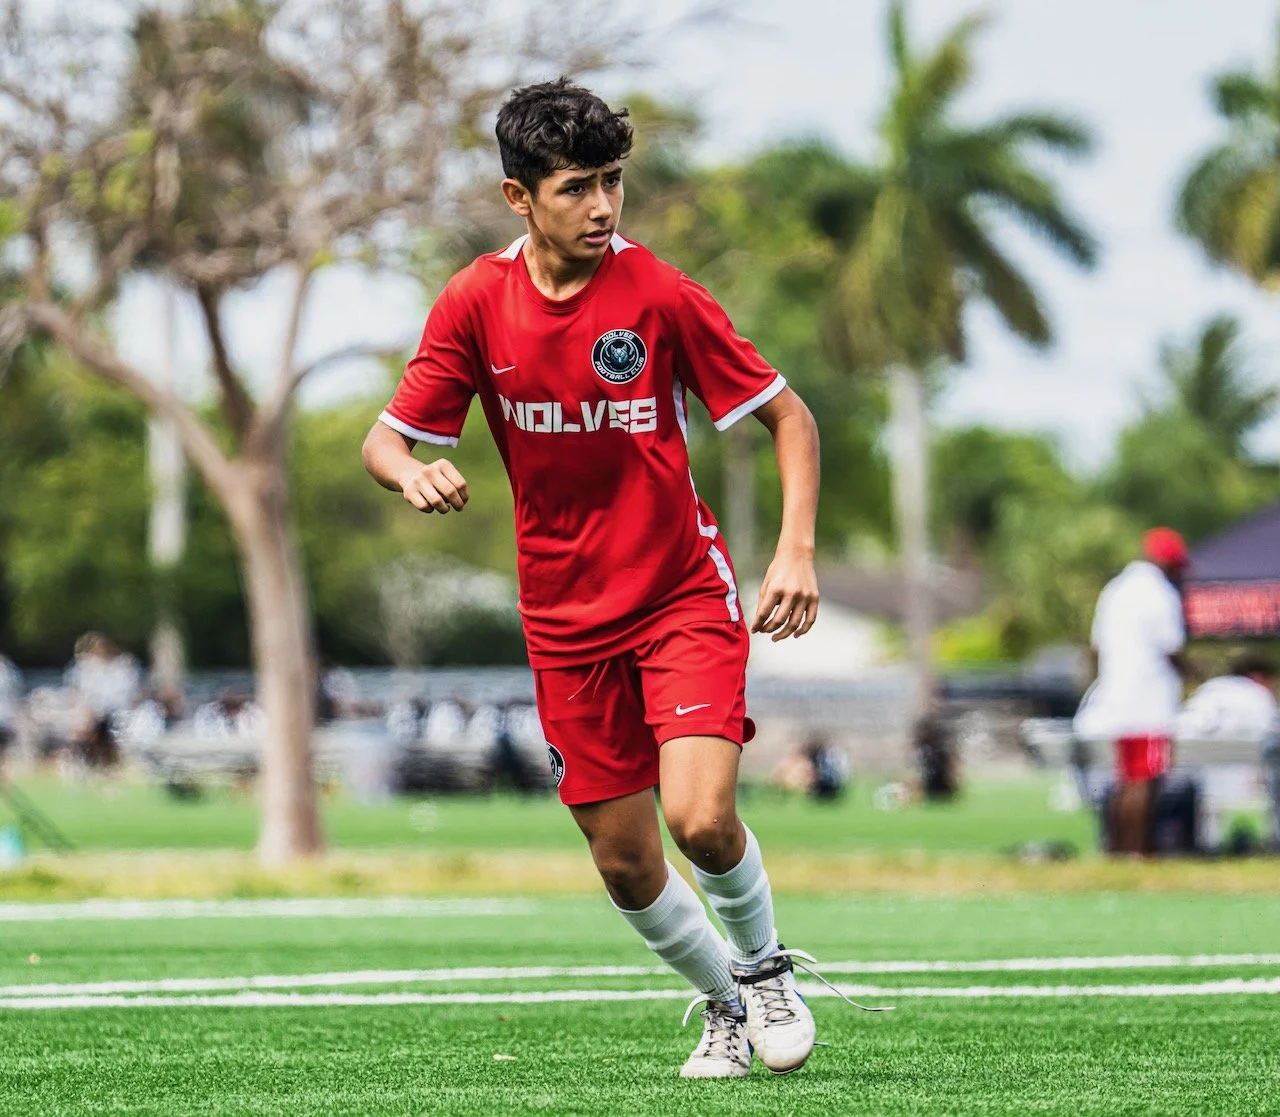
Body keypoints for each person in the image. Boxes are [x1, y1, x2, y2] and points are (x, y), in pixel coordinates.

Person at [363, 79, 826, 1078]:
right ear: (517, 198)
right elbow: (385, 439)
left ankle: (764, 971)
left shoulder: (655, 291)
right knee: (622, 860)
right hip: (564, 622)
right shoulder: (475, 302)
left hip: (678, 596)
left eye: (612, 181)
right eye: (577, 187)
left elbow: (788, 415)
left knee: (699, 818)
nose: (603, 207)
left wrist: (792, 549)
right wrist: (411, 470)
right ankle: (722, 1008)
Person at [1073, 528, 1190, 855]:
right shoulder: (1159, 593)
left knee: (1126, 780)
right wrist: (1196, 674)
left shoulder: (1115, 590)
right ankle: (1137, 852)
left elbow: (1095, 648)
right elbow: (1171, 648)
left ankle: (1118, 851)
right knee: (1144, 780)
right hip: (1148, 701)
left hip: (1117, 698)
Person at [1176, 654, 1277, 742]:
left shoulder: (1212, 687)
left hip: (1190, 753)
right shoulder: (1258, 696)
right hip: (1244, 759)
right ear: (1258, 676)